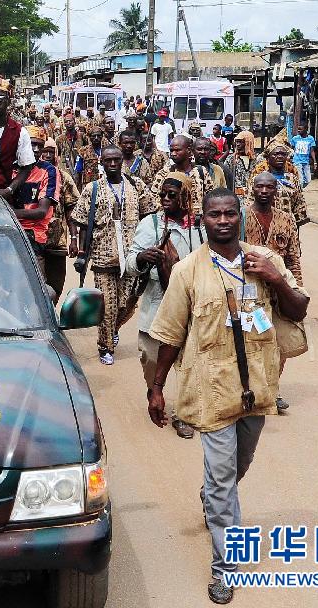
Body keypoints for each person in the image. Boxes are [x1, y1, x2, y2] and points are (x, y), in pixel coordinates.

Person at [146, 188, 309, 604]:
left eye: (229, 214)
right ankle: (225, 567)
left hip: (256, 388)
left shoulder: (263, 261)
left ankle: (213, 496)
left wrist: (274, 278)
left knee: (239, 465)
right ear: (203, 219)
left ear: (240, 217)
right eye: (214, 214)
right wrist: (156, 388)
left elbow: (298, 309)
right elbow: (169, 335)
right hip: (210, 391)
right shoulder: (187, 271)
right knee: (222, 481)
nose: (222, 221)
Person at [126, 171, 204, 439]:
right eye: (162, 195)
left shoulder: (200, 228)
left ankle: (183, 413)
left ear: (186, 196)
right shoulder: (151, 224)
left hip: (191, 307)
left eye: (172, 195)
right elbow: (129, 262)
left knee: (188, 361)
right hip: (157, 304)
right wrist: (141, 258)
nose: (166, 200)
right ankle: (154, 389)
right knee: (150, 357)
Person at [70, 146, 157, 365]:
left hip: (131, 256)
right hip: (103, 255)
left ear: (121, 161)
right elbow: (81, 222)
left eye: (116, 160)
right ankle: (105, 346)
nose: (112, 164)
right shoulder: (93, 188)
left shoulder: (136, 185)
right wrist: (81, 252)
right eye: (107, 160)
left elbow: (150, 215)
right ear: (101, 161)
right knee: (107, 305)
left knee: (126, 302)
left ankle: (114, 328)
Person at [245, 172, 303, 413]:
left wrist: (297, 289)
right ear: (253, 189)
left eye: (270, 187)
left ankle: (273, 389)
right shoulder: (242, 216)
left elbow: (293, 258)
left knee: (279, 342)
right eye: (260, 187)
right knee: (251, 341)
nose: (265, 191)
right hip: (249, 290)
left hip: (279, 289)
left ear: (276, 190)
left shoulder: (286, 219)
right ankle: (250, 389)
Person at [14, 126, 58, 278]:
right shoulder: (10, 168)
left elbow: (41, 211)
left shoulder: (48, 171)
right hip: (10, 232)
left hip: (34, 235)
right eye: (32, 144)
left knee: (37, 287)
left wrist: (7, 212)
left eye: (40, 145)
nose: (36, 149)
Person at [42, 137, 81, 294]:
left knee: (56, 286)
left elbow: (70, 209)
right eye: (44, 152)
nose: (46, 156)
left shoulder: (63, 177)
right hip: (33, 240)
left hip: (57, 242)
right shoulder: (29, 174)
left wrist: (73, 238)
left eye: (50, 152)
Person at [247, 142, 308, 227]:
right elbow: (250, 202)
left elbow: (299, 204)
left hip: (286, 225)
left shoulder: (292, 179)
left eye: (283, 154)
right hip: (262, 225)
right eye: (275, 154)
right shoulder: (259, 179)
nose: (279, 156)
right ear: (268, 158)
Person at [151, 136, 215, 216]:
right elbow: (155, 200)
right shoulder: (164, 174)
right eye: (171, 150)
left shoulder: (200, 171)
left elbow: (210, 197)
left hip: (197, 222)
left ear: (188, 150)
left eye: (177, 150)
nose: (173, 154)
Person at [55, 111, 88, 186]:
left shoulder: (82, 136)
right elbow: (57, 154)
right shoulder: (60, 139)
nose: (68, 123)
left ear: (74, 122)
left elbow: (88, 149)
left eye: (70, 121)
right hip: (66, 169)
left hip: (80, 168)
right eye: (66, 121)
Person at [224, 130, 256, 197]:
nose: (238, 144)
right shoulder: (231, 159)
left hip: (253, 196)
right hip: (236, 197)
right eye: (237, 142)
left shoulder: (256, 160)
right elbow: (225, 177)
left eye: (241, 142)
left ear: (249, 143)